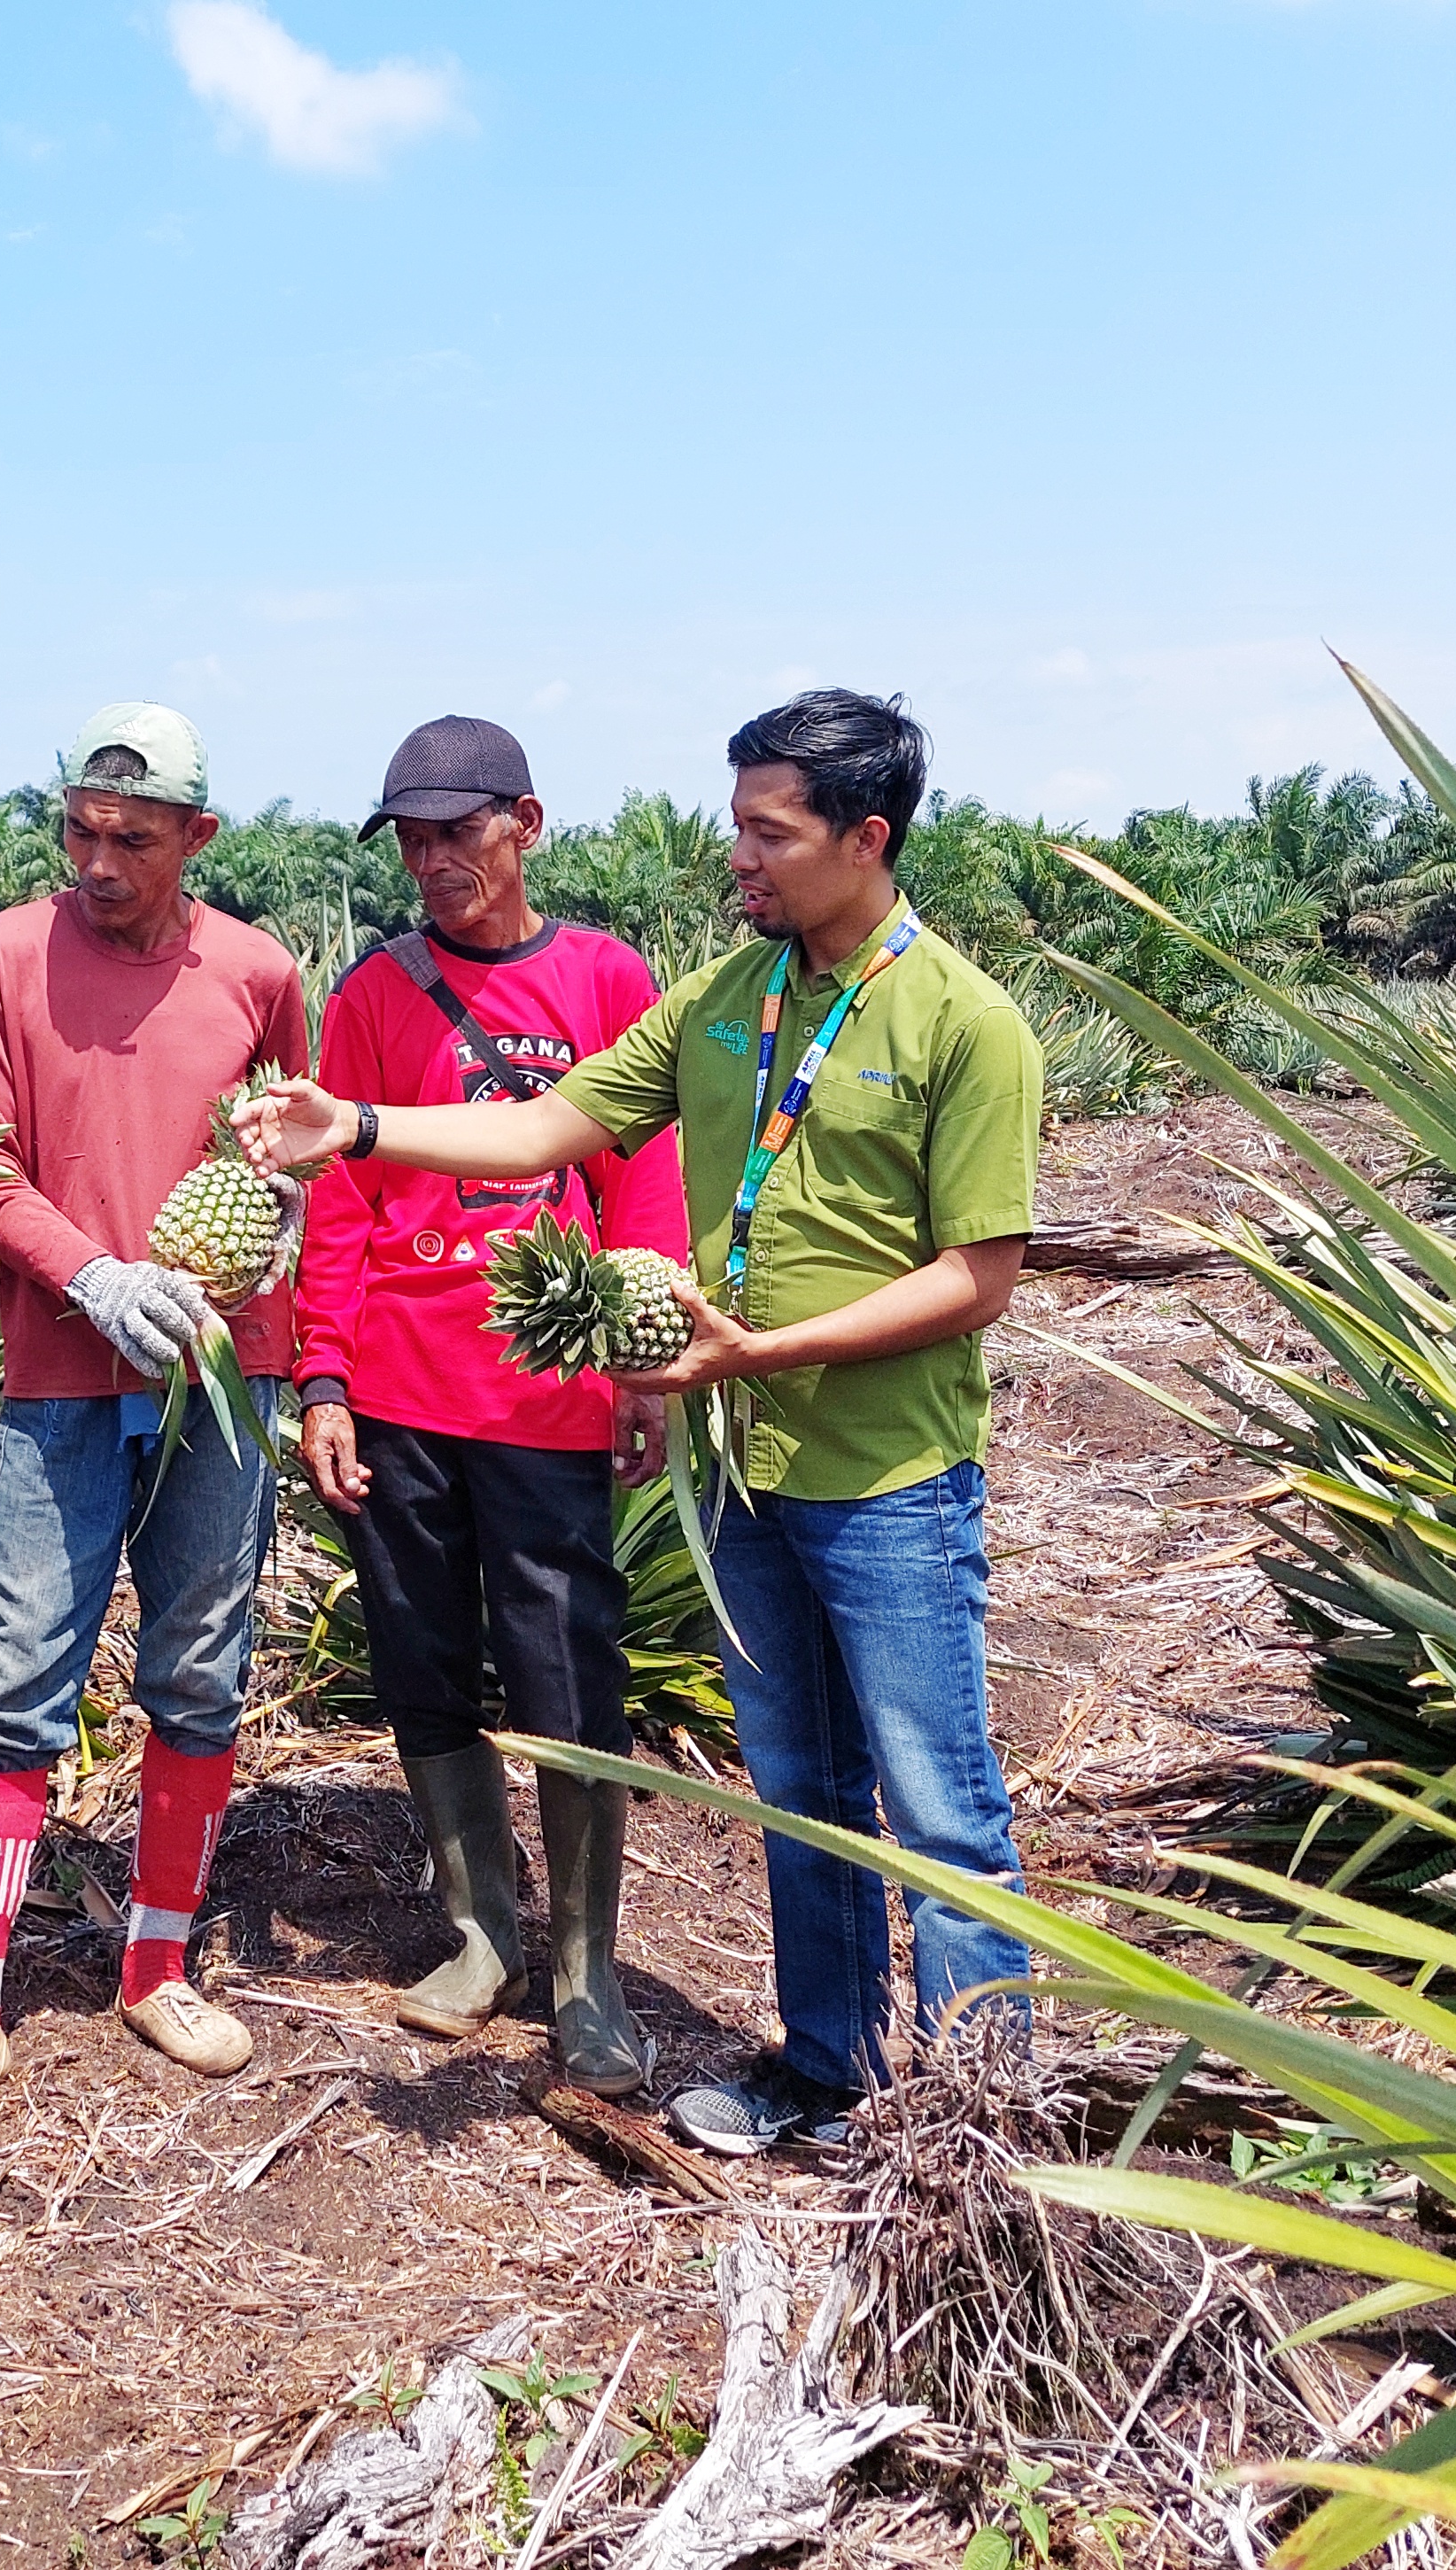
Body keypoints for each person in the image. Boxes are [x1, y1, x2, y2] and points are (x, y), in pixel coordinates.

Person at [240, 689, 1041, 2157]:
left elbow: (978, 1276)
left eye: (769, 832)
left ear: (866, 838)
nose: (738, 854)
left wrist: (754, 1349)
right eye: (739, 824)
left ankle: (979, 2133)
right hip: (745, 1471)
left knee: (939, 1804)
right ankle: (830, 2068)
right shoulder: (728, 998)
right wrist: (357, 1126)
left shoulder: (965, 1021)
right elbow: (548, 1127)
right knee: (802, 1786)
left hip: (889, 1475)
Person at [0, 703, 310, 2153]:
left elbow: (296, 1145)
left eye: (134, 839)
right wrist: (92, 1274)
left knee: (200, 1663)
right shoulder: (5, 954)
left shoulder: (259, 973)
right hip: (62, 1367)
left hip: (223, 1372)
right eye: (80, 832)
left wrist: (286, 1222)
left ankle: (157, 1963)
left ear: (198, 838)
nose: (98, 862)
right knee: (19, 1674)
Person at [295, 716, 689, 2093]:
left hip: (550, 1391)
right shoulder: (373, 995)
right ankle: (482, 1936)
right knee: (419, 1652)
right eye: (410, 840)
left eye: (457, 832)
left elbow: (642, 1174)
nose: (431, 862)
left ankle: (587, 1969)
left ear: (526, 822)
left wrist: (644, 1358)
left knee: (567, 1663)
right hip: (403, 1386)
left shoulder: (606, 977)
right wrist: (325, 1375)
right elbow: (340, 1202)